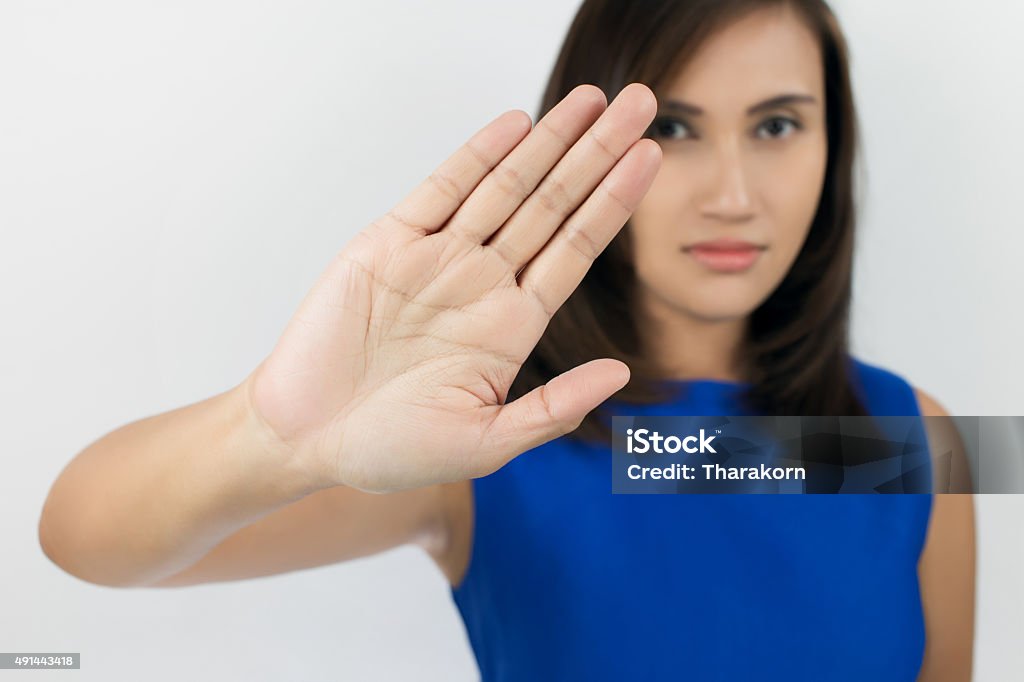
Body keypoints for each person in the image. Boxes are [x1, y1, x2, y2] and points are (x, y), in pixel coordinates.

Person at [38, 0, 975, 679]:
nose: (732, 192)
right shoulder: (487, 434)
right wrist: (271, 435)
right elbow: (82, 540)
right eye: (677, 127)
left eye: (776, 124)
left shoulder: (913, 438)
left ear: (832, 144)